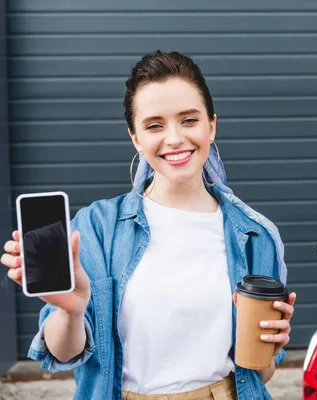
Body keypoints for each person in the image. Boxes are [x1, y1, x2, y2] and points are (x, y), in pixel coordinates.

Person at [1, 50, 296, 400]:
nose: (174, 138)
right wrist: (72, 309)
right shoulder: (97, 227)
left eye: (189, 120)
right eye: (154, 125)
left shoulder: (254, 236)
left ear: (211, 125)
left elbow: (261, 372)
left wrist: (270, 344)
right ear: (136, 138)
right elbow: (64, 353)